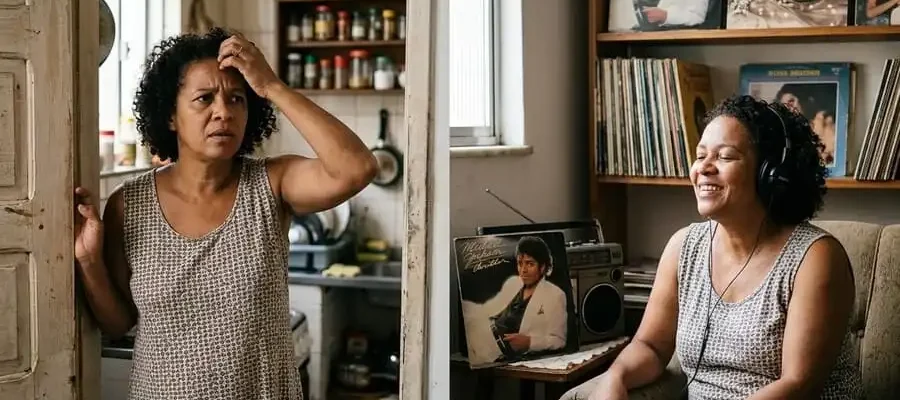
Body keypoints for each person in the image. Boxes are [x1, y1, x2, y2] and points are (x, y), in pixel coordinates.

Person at [73, 28, 377, 399]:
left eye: (237, 99)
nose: (224, 112)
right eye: (204, 98)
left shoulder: (272, 184)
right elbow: (118, 322)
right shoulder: (128, 204)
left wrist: (271, 86)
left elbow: (357, 168)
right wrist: (89, 260)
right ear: (171, 115)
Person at [589, 95, 862, 399]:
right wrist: (616, 377)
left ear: (769, 174)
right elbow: (650, 346)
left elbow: (798, 385)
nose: (703, 168)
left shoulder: (815, 258)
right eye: (700, 155)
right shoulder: (684, 247)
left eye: (725, 157)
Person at [461, 236, 568, 365]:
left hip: (501, 355)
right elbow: (487, 309)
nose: (523, 270)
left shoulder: (555, 295)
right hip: (482, 337)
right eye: (520, 263)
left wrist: (529, 342)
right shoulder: (513, 282)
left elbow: (559, 341)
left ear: (542, 267)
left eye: (530, 264)